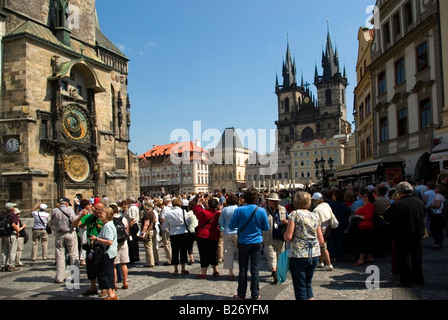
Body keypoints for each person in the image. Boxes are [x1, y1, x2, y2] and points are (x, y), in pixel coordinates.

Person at [229, 187, 269, 300]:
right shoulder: (261, 210)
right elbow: (266, 227)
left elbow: (232, 226)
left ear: (245, 198)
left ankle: (241, 294)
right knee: (255, 268)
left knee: (242, 268)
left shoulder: (239, 210)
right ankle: (255, 294)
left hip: (243, 241)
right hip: (257, 242)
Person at [284, 190, 324, 300]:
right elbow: (321, 240)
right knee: (308, 284)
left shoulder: (294, 214)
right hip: (314, 254)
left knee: (300, 286)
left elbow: (288, 237)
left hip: (299, 254)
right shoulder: (314, 215)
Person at [384, 181, 426, 286]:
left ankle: (406, 280)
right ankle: (418, 278)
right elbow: (424, 214)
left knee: (404, 258)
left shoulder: (398, 204)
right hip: (417, 233)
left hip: (402, 234)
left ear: (400, 192)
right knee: (416, 258)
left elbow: (387, 217)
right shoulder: (419, 202)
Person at [72, 201, 104, 295]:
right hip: (91, 245)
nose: (94, 209)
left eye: (97, 208)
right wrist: (81, 216)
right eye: (94, 207)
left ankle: (104, 288)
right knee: (90, 268)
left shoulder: (104, 218)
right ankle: (93, 287)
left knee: (101, 269)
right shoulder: (89, 217)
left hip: (101, 245)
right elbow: (74, 225)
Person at [90, 206, 118, 300]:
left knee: (103, 273)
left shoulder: (107, 226)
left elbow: (109, 241)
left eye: (102, 213)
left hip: (106, 252)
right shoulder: (109, 224)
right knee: (109, 272)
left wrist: (96, 239)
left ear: (107, 216)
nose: (99, 215)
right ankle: (112, 293)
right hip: (111, 252)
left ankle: (111, 294)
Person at [49, 198, 78, 283]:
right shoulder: (70, 210)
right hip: (70, 233)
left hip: (59, 234)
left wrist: (55, 229)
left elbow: (51, 222)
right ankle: (75, 277)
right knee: (73, 254)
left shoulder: (54, 210)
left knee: (59, 256)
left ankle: (59, 277)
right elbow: (74, 220)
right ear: (67, 203)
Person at [262, 192, 288, 283]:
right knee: (271, 256)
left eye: (276, 201)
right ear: (268, 201)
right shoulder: (263, 211)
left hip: (280, 236)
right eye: (272, 201)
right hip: (268, 236)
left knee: (280, 255)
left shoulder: (283, 210)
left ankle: (278, 271)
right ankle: (274, 273)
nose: (274, 203)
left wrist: (286, 222)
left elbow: (289, 220)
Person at [193, 196, 221, 279]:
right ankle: (215, 270)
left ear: (208, 205)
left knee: (203, 254)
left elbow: (196, 211)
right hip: (214, 235)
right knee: (213, 253)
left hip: (203, 235)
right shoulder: (218, 214)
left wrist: (199, 203)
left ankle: (203, 273)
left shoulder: (204, 213)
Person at [163, 197, 189, 276]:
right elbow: (188, 222)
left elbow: (165, 225)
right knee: (183, 251)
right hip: (183, 232)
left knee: (175, 251)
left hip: (173, 233)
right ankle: (183, 268)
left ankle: (175, 269)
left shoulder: (168, 213)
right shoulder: (183, 211)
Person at [311, 192, 334, 271]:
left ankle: (328, 264)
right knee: (323, 246)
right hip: (328, 227)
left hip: (321, 229)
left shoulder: (316, 210)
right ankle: (321, 262)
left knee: (323, 247)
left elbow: (316, 222)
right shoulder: (326, 205)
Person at [218, 193, 239, 280]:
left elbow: (221, 223)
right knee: (240, 252)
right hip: (237, 232)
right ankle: (242, 270)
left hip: (227, 232)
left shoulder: (225, 209)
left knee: (228, 253)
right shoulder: (238, 209)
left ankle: (231, 273)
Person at [353, 192, 376, 266]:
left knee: (363, 242)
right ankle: (369, 257)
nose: (363, 198)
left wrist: (359, 216)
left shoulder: (369, 206)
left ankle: (361, 259)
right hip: (364, 226)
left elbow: (368, 217)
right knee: (367, 242)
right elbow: (355, 211)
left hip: (365, 226)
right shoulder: (366, 205)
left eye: (365, 196)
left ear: (369, 198)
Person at [111, 203, 130, 290]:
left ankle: (114, 284)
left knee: (114, 265)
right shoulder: (124, 219)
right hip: (123, 242)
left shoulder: (110, 220)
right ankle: (125, 283)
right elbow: (127, 230)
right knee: (123, 264)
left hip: (113, 243)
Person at [0, 203, 21, 272]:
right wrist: (17, 231)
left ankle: (2, 265)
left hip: (4, 235)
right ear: (11, 208)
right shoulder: (13, 215)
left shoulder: (2, 215)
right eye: (13, 207)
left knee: (4, 251)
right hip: (11, 234)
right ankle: (11, 265)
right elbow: (13, 224)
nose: (14, 207)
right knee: (12, 250)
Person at [427, 184, 446, 249]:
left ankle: (437, 242)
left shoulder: (438, 196)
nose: (435, 188)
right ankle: (439, 242)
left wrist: (430, 206)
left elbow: (437, 205)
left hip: (436, 214)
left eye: (436, 187)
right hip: (439, 214)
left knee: (434, 228)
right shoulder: (441, 196)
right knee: (439, 229)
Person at [140, 201, 157, 267]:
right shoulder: (153, 213)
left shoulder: (147, 214)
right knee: (153, 246)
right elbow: (155, 220)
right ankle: (155, 260)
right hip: (153, 230)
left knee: (148, 247)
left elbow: (146, 224)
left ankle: (150, 262)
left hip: (148, 231)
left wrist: (143, 232)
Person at [76, 199, 93, 266]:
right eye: (89, 204)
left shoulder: (89, 211)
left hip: (87, 229)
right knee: (84, 243)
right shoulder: (82, 212)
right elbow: (78, 221)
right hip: (83, 229)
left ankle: (85, 257)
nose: (90, 205)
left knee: (87, 243)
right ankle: (82, 258)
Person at [124, 196, 140, 263]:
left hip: (132, 226)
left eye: (127, 200)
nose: (126, 201)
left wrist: (128, 228)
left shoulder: (132, 208)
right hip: (133, 226)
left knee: (132, 241)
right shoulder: (132, 207)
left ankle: (133, 257)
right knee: (134, 241)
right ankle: (135, 255)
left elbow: (132, 219)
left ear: (130, 201)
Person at [159, 195, 173, 266]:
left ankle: (169, 259)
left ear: (165, 201)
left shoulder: (165, 208)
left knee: (166, 243)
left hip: (166, 227)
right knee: (171, 243)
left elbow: (162, 218)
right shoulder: (173, 207)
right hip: (172, 228)